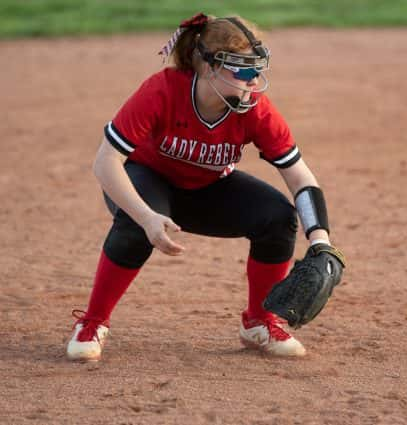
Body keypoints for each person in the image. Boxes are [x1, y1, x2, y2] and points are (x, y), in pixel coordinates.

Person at [66, 13, 340, 361]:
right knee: (136, 224)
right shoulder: (162, 90)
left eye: (257, 68)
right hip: (144, 179)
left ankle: (259, 322)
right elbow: (105, 163)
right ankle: (92, 322)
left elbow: (300, 176)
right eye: (242, 68)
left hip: (207, 188)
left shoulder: (254, 108)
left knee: (278, 218)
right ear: (209, 67)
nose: (254, 79)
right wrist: (148, 217)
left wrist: (321, 239)